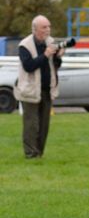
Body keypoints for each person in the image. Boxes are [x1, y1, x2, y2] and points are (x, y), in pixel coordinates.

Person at [14, 15, 63, 158]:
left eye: (49, 27)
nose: (48, 30)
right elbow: (28, 66)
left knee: (44, 124)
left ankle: (39, 153)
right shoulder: (24, 45)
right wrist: (45, 55)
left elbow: (56, 65)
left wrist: (58, 57)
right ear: (35, 29)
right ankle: (30, 153)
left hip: (47, 90)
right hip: (30, 91)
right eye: (44, 27)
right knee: (31, 124)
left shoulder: (51, 42)